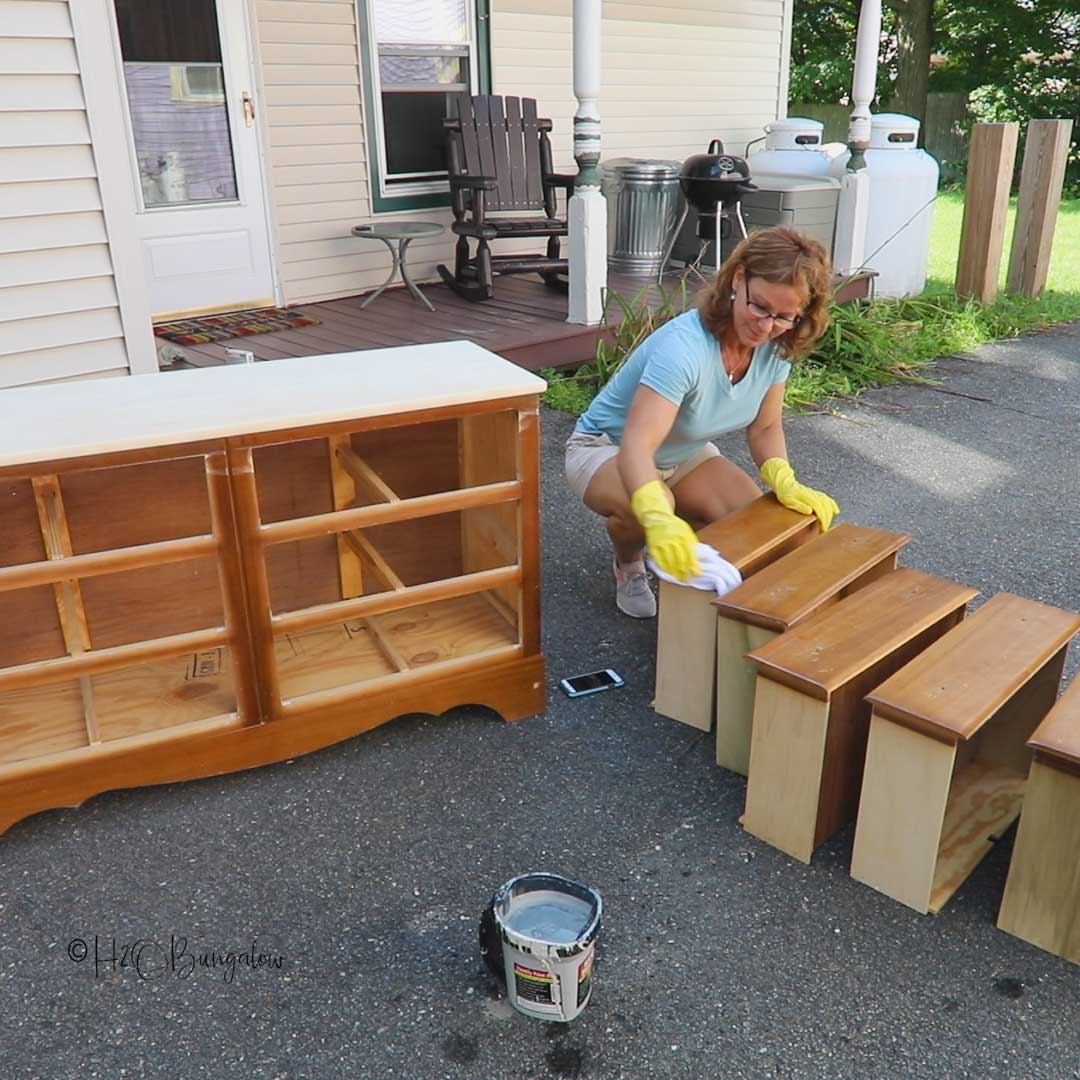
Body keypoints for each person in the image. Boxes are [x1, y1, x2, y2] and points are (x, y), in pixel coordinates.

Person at [564, 226, 840, 618]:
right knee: (646, 507)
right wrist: (658, 513)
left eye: (784, 317)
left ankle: (708, 580)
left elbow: (764, 427)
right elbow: (637, 447)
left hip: (685, 452)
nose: (765, 326)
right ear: (738, 279)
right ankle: (629, 561)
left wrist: (783, 478)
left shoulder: (775, 348)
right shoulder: (684, 349)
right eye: (759, 306)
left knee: (756, 521)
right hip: (605, 447)